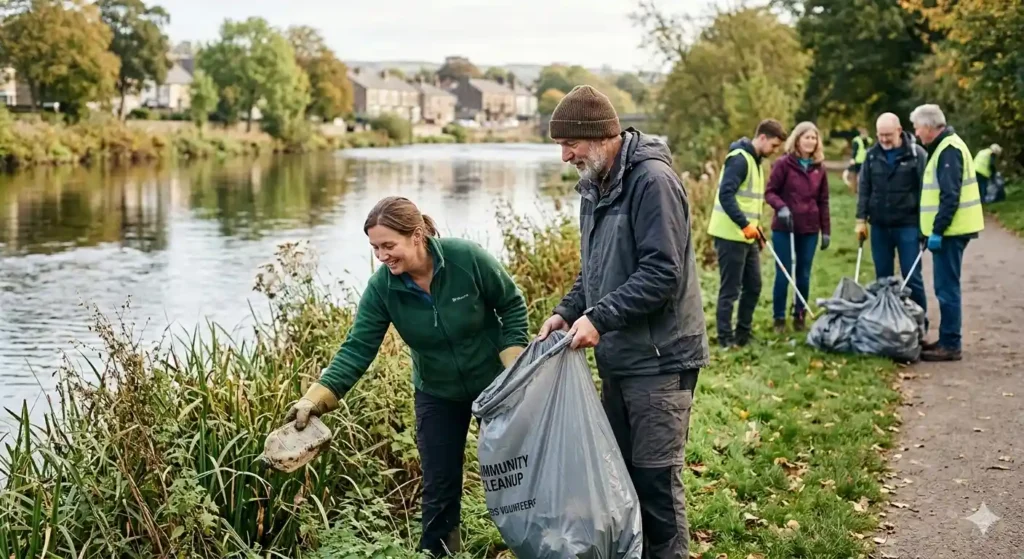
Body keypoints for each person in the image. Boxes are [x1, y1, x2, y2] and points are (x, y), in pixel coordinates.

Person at [284, 196, 529, 555]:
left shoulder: (466, 258)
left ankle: (528, 546)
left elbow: (511, 305)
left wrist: (513, 367)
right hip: (437, 393)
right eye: (374, 248)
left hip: (496, 386)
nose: (381, 256)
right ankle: (440, 553)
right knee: (439, 486)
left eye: (388, 245)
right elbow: (357, 348)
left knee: (516, 472)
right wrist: (314, 399)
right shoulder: (383, 288)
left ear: (416, 236)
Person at [536, 85, 709, 559]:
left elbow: (662, 273)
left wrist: (599, 317)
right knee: (623, 482)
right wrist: (566, 311)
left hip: (660, 360)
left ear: (599, 135)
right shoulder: (595, 186)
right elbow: (594, 269)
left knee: (656, 484)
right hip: (620, 359)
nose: (565, 155)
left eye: (569, 143)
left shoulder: (652, 182)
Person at [910, 104, 984, 362]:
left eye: (917, 128)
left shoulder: (948, 150)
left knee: (946, 288)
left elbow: (949, 196)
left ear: (928, 126)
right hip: (950, 231)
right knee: (945, 286)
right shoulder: (945, 146)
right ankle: (947, 338)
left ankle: (951, 344)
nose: (916, 133)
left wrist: (937, 231)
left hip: (952, 232)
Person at [707, 119, 787, 347]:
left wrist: (755, 228)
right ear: (762, 138)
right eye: (773, 145)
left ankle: (743, 334)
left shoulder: (755, 161)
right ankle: (725, 339)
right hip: (729, 235)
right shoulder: (739, 159)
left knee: (753, 286)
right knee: (730, 290)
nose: (775, 150)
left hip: (747, 235)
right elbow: (726, 195)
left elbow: (747, 202)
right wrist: (744, 224)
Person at [855, 112, 929, 318]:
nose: (884, 139)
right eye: (880, 135)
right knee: (883, 279)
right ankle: (886, 322)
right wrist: (860, 219)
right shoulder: (871, 155)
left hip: (908, 225)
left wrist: (925, 225)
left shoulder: (917, 155)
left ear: (899, 130)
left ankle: (918, 321)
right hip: (879, 226)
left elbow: (926, 191)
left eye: (888, 135)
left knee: (911, 276)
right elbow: (864, 188)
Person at [765, 121, 831, 334]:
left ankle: (799, 314)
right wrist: (781, 207)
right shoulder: (783, 164)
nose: (811, 141)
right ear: (797, 139)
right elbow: (770, 192)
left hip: (809, 228)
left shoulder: (819, 168)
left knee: (803, 273)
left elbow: (823, 201)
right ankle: (779, 318)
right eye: (807, 137)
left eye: (814, 138)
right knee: (784, 273)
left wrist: (826, 230)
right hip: (784, 228)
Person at [845, 127, 873, 192]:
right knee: (854, 175)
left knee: (864, 176)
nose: (865, 135)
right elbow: (854, 150)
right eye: (863, 134)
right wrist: (853, 158)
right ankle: (854, 189)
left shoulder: (869, 140)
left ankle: (863, 189)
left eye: (866, 134)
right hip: (857, 160)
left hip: (866, 160)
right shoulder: (857, 140)